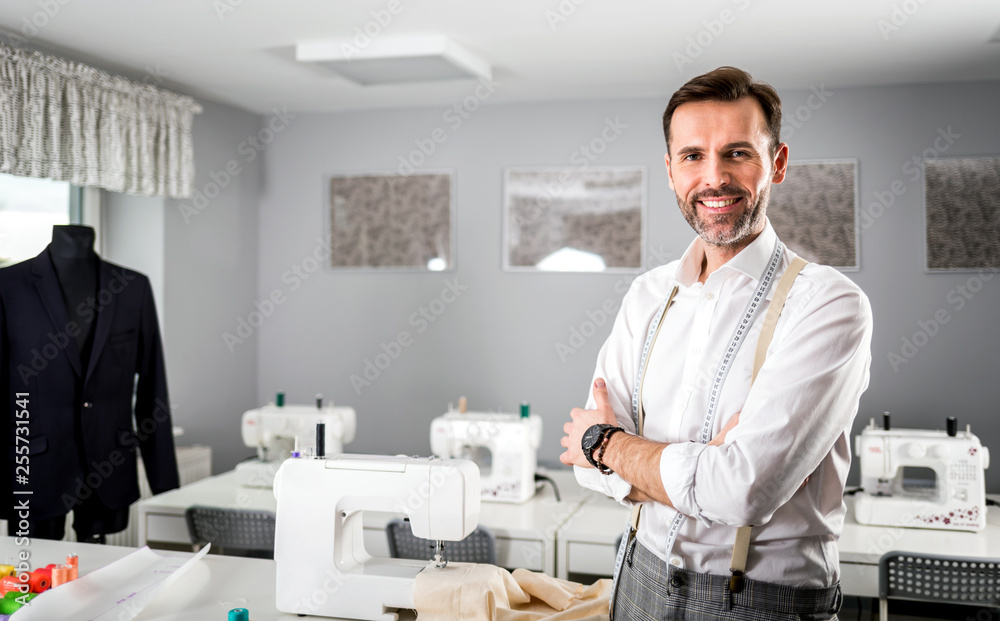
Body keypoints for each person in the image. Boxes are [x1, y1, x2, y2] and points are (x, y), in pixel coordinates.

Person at [559, 67, 872, 620]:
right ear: (671, 170)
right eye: (692, 156)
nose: (714, 178)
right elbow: (583, 468)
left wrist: (608, 446)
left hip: (757, 602)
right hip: (636, 576)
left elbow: (742, 493)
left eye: (737, 153)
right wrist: (702, 466)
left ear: (776, 162)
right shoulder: (648, 294)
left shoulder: (828, 304)